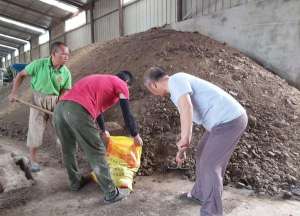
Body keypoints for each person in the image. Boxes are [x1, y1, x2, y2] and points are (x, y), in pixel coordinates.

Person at [144, 67, 248, 216]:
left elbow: (187, 108)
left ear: (153, 85)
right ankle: (199, 193)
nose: (153, 94)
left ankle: (212, 212)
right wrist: (183, 147)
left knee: (210, 165)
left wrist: (185, 138)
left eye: (150, 90)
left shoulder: (176, 80)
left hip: (229, 121)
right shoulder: (177, 87)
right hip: (221, 123)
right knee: (201, 155)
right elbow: (187, 115)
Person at [53, 71, 143, 203]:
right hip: (77, 110)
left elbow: (97, 108)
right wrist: (135, 134)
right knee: (96, 150)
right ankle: (111, 192)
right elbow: (126, 112)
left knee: (68, 149)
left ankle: (75, 183)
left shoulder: (100, 80)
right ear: (127, 84)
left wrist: (103, 130)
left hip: (60, 109)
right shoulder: (121, 85)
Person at [8, 42, 72, 172]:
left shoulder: (65, 72)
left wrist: (60, 101)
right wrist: (14, 93)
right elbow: (20, 75)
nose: (66, 57)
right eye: (63, 54)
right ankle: (32, 161)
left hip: (56, 102)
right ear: (54, 54)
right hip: (37, 101)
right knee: (35, 130)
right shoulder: (39, 64)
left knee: (63, 131)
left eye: (68, 55)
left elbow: (65, 90)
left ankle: (68, 161)